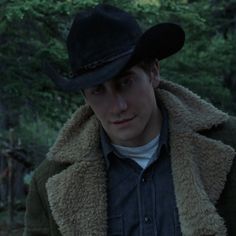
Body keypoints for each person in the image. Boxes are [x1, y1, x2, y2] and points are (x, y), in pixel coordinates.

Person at [24, 4, 236, 236]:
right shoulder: (51, 182)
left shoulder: (228, 147)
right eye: (98, 90)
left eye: (125, 82)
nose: (118, 106)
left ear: (153, 72)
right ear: (84, 96)